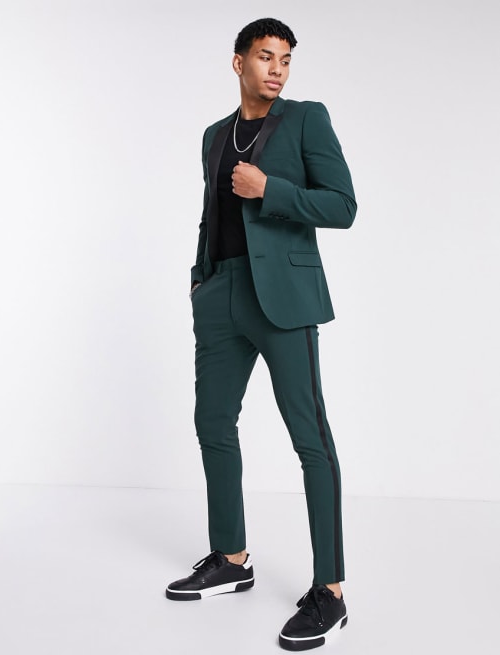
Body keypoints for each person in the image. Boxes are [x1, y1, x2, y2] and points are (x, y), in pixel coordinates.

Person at [165, 17, 357, 652]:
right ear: (238, 62)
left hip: (284, 299)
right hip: (221, 293)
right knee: (213, 423)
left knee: (310, 438)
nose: (277, 69)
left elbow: (342, 206)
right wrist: (200, 278)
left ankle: (330, 591)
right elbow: (212, 214)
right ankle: (232, 558)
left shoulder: (305, 120)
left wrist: (270, 188)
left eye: (286, 59)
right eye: (266, 57)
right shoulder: (214, 136)